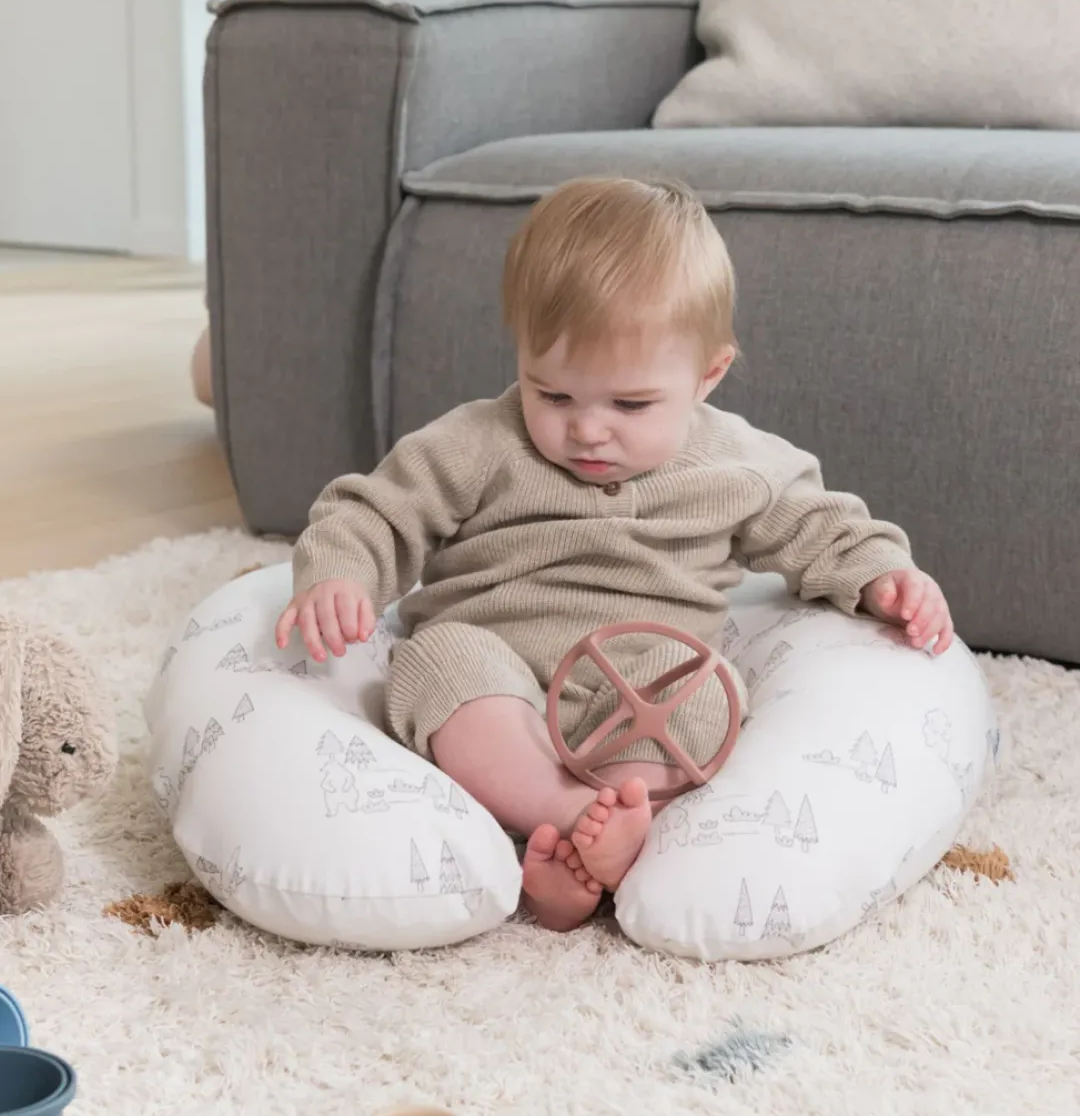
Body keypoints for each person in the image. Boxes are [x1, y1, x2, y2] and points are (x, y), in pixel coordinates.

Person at [275, 178, 954, 932]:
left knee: (706, 690)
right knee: (436, 662)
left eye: (630, 405)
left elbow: (824, 528)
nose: (588, 430)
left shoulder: (739, 465)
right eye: (553, 395)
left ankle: (597, 847)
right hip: (500, 674)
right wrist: (340, 571)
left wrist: (885, 578)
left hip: (640, 685)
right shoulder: (477, 443)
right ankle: (565, 816)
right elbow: (375, 508)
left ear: (708, 375)